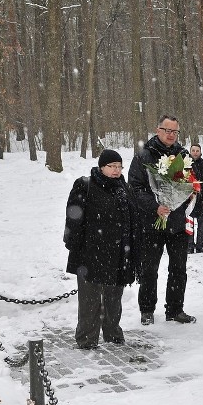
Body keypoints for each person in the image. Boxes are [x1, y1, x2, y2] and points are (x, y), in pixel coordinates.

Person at [63, 149, 139, 349]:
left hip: (118, 253)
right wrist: (75, 245)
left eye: (119, 166)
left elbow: (132, 218)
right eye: (111, 166)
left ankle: (113, 334)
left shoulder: (124, 187)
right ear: (101, 167)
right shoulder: (86, 185)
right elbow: (73, 217)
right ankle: (87, 339)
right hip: (91, 253)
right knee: (90, 300)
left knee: (114, 298)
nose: (116, 170)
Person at [128, 115, 196, 326]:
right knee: (149, 269)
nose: (170, 135)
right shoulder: (144, 155)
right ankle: (147, 309)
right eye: (167, 130)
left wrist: (191, 195)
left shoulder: (184, 155)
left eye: (175, 132)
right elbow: (135, 188)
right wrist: (155, 207)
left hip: (176, 222)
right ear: (157, 130)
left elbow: (192, 182)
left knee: (178, 268)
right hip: (151, 222)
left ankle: (175, 309)